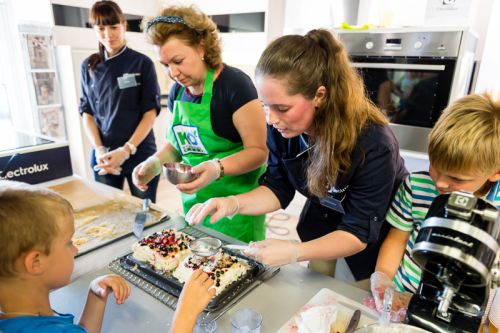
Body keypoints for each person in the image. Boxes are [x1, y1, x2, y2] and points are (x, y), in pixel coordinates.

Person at [186, 29, 408, 286]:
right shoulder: (282, 128)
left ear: (319, 96)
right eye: (265, 106)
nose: (271, 119)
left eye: (282, 108)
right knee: (317, 293)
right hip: (321, 227)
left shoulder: (374, 144)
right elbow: (278, 188)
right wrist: (232, 203)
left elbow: (357, 234)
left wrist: (293, 251)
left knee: (354, 303)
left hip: (372, 245)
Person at [0, 180, 216, 333]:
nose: (75, 250)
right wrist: (186, 315)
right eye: (69, 243)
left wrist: (96, 297)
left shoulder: (24, 315)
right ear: (35, 262)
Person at [134, 6, 268, 242]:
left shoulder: (234, 86)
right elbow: (176, 147)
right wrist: (153, 164)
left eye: (178, 61)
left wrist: (216, 168)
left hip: (235, 210)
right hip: (195, 207)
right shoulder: (178, 91)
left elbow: (258, 152)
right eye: (165, 65)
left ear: (201, 46)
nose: (173, 73)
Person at [370, 93, 500, 320]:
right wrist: (385, 281)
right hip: (403, 295)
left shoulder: (495, 210)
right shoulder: (417, 186)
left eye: (457, 179)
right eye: (434, 166)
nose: (439, 182)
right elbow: (397, 239)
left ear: (495, 173)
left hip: (458, 312)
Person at [79, 0, 161, 202]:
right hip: (104, 157)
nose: (108, 34)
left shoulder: (142, 63)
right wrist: (99, 149)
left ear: (124, 25)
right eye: (101, 28)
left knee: (146, 212)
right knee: (109, 211)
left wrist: (126, 150)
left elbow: (150, 113)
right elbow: (87, 112)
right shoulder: (89, 65)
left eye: (114, 27)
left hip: (139, 152)